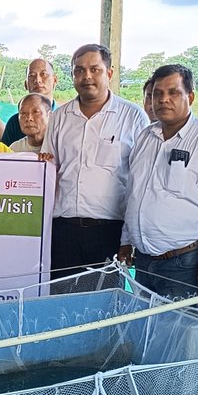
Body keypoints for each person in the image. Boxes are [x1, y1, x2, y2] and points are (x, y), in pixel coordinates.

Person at [119, 64, 198, 300]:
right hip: (143, 261)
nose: (163, 100)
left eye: (173, 92)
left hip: (184, 264)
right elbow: (134, 194)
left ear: (190, 97)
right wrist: (126, 239)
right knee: (146, 332)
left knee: (183, 335)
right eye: (157, 93)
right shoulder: (145, 137)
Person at [41, 44, 146, 279]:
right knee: (61, 304)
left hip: (110, 233)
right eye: (79, 70)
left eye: (94, 69)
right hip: (63, 232)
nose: (86, 76)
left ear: (109, 73)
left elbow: (139, 182)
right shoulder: (58, 118)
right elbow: (49, 172)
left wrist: (128, 239)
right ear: (72, 76)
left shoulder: (133, 117)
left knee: (105, 307)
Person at [1, 59, 58, 144]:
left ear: (55, 80)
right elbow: (5, 155)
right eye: (31, 76)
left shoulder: (65, 119)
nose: (38, 80)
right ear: (25, 84)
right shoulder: (14, 123)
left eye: (44, 74)